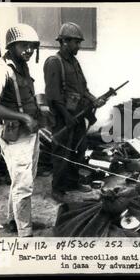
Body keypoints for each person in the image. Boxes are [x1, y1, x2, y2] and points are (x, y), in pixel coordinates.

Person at [0, 23, 42, 237]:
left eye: (32, 46)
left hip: (30, 131)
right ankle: (25, 234)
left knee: (23, 179)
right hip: (14, 134)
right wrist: (24, 116)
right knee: (24, 184)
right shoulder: (1, 68)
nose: (29, 50)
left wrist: (37, 114)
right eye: (24, 45)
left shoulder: (22, 64)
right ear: (11, 46)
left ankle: (14, 221)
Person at [44, 22, 105, 201]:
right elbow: (53, 95)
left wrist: (95, 100)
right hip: (64, 118)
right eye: (76, 42)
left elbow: (83, 88)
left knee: (78, 150)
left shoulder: (74, 62)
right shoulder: (54, 62)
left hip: (77, 116)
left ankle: (72, 182)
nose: (79, 46)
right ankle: (57, 189)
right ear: (64, 42)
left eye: (79, 42)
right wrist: (67, 116)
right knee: (62, 153)